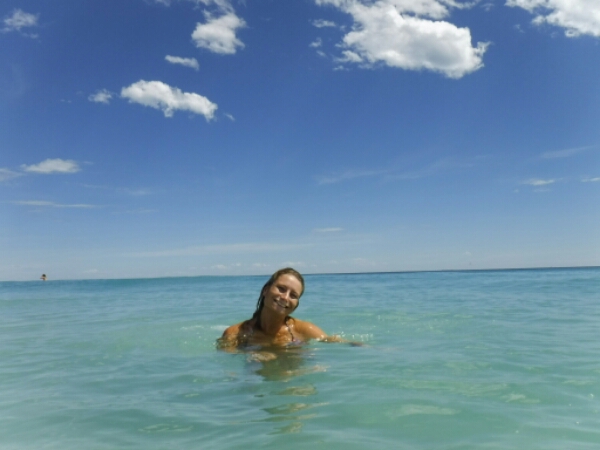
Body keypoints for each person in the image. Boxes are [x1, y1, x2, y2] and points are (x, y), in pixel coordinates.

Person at [218, 267, 349, 350]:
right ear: (265, 290)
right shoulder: (235, 333)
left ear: (296, 304)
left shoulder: (303, 330)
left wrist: (357, 345)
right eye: (281, 289)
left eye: (293, 295)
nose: (285, 297)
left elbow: (334, 342)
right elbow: (229, 372)